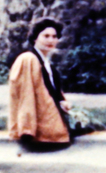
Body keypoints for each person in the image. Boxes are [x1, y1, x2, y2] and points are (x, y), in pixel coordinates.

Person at [9, 17, 72, 148]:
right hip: (39, 132)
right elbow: (25, 95)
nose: (51, 40)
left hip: (51, 126)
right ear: (35, 38)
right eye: (46, 36)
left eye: (54, 36)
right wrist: (26, 129)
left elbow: (51, 89)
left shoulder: (47, 63)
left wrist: (61, 101)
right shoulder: (28, 59)